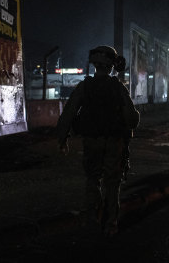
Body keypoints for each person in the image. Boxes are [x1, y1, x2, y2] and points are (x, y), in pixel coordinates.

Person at [56, 45, 140, 236]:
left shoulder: (84, 86)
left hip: (91, 142)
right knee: (112, 183)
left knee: (92, 179)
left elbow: (68, 113)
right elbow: (132, 120)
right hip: (114, 142)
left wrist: (62, 138)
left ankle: (91, 221)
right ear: (112, 66)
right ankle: (111, 224)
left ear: (94, 64)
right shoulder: (118, 88)